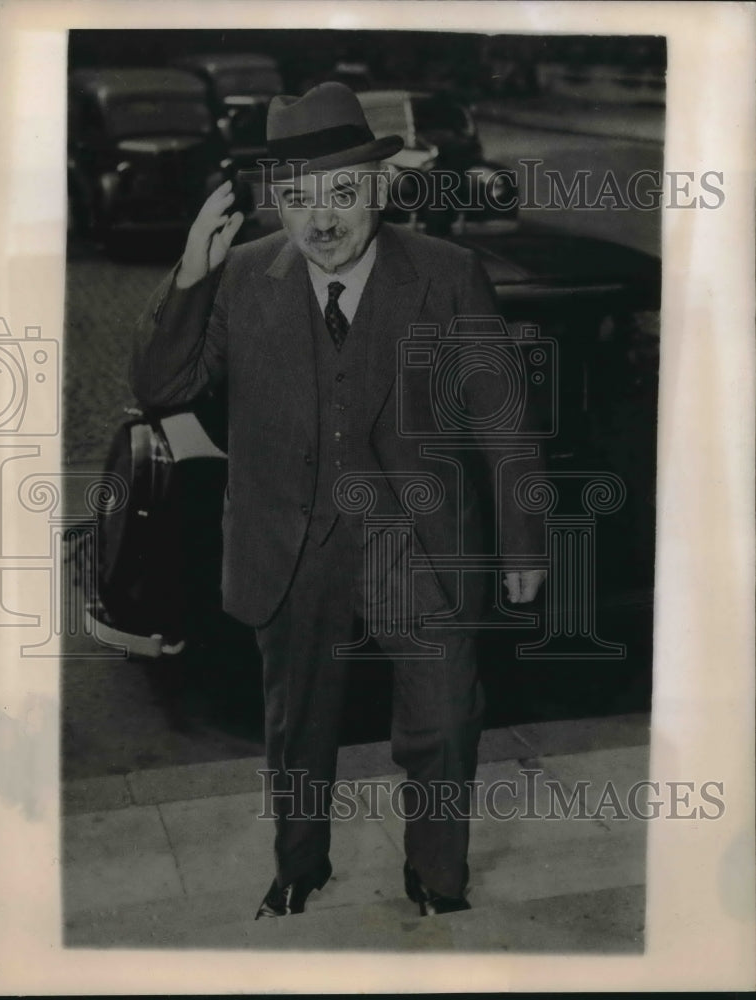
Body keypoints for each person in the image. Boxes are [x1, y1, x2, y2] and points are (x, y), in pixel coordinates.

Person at [131, 82, 545, 919]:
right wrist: (193, 271)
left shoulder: (447, 274)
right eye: (297, 197)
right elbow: (160, 386)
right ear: (273, 202)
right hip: (290, 543)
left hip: (416, 543)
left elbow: (502, 422)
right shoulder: (242, 277)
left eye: (342, 193)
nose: (320, 219)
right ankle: (300, 866)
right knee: (298, 728)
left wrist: (524, 544)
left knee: (444, 722)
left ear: (380, 187)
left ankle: (437, 878)